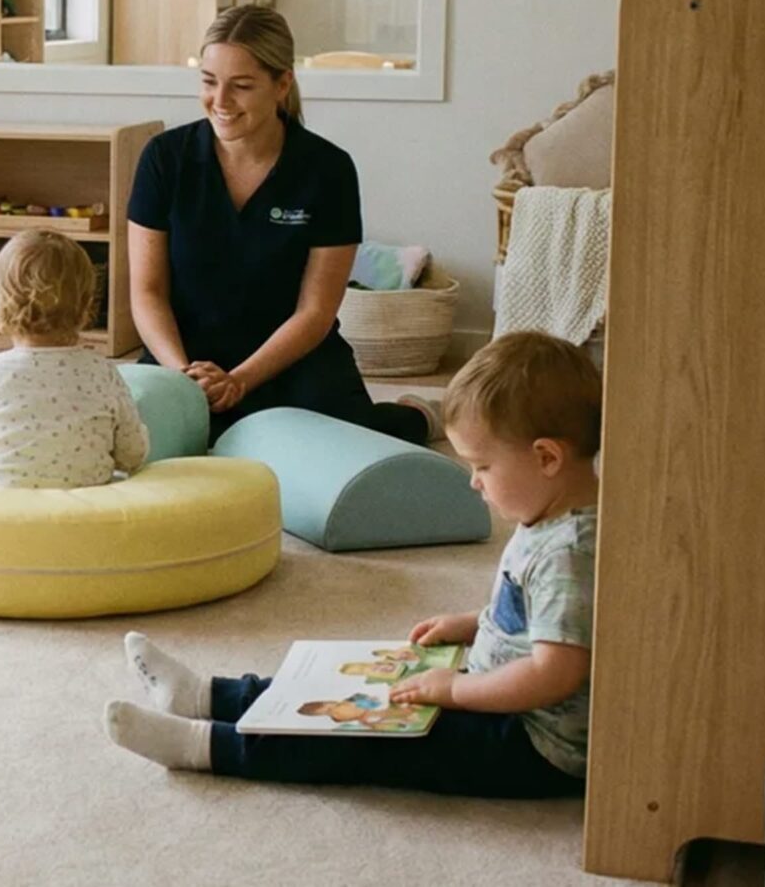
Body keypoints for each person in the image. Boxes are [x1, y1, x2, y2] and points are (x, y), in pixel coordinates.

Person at [101, 331, 603, 798]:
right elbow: (541, 620)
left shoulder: (568, 552)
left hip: (532, 743)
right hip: (497, 696)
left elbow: (554, 674)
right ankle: (209, 695)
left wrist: (456, 688)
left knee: (358, 729)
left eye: (482, 467)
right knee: (364, 683)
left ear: (547, 458)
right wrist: (475, 624)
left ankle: (203, 745)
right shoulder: (549, 515)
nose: (473, 482)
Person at [124, 5, 436, 443]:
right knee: (138, 441)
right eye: (209, 82)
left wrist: (240, 381)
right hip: (184, 356)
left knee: (343, 445)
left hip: (293, 358)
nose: (221, 102)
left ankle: (415, 415)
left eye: (242, 86)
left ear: (282, 83)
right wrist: (183, 378)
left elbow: (315, 312)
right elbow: (147, 291)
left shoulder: (328, 170)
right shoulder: (164, 158)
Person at [0, 230, 148, 488]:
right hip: (82, 514)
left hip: (1, 512)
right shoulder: (104, 372)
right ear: (86, 306)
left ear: (0, 305)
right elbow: (132, 455)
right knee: (122, 478)